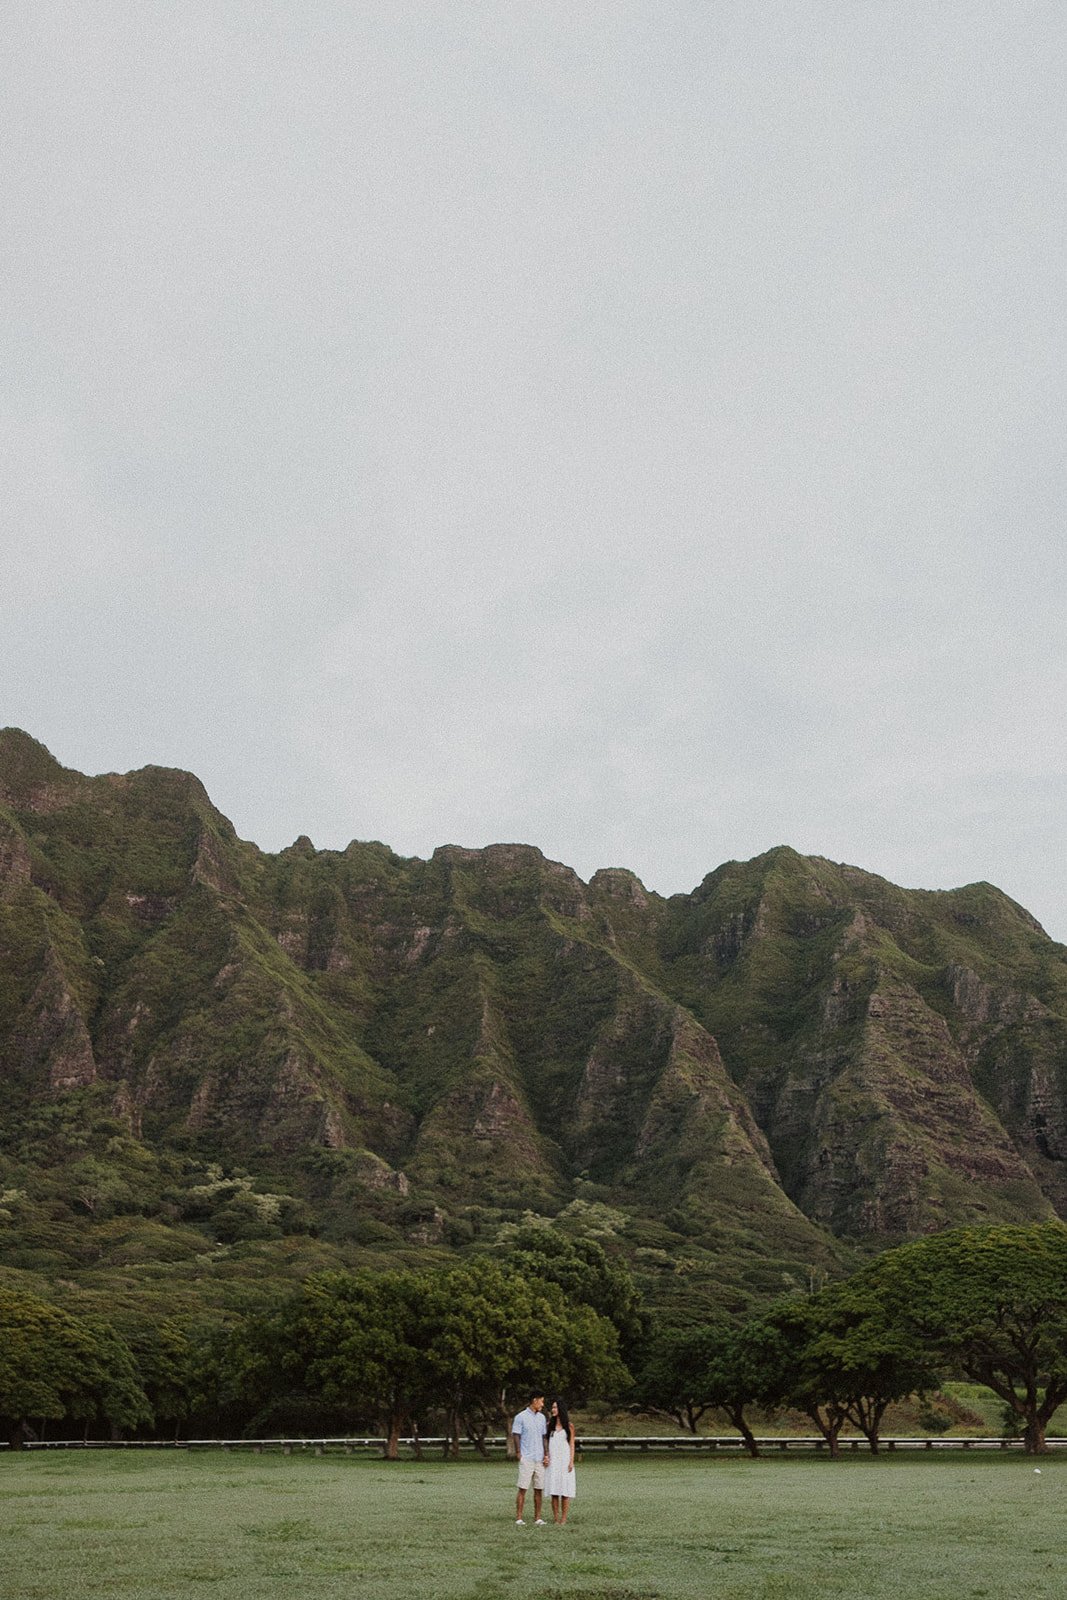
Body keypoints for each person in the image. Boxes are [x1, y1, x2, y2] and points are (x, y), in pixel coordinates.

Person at [511, 1390, 548, 1525]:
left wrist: (546, 1454)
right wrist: (518, 1453)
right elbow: (516, 1435)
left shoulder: (542, 1418)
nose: (542, 1404)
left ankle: (537, 1517)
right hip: (527, 1457)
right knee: (523, 1488)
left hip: (539, 1458)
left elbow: (544, 1437)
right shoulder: (520, 1417)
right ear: (535, 1400)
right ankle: (519, 1517)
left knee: (539, 1489)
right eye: (541, 1401)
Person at [544, 1398, 577, 1524]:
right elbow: (546, 1442)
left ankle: (563, 1518)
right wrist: (546, 1456)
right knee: (554, 1491)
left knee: (565, 1490)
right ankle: (556, 1518)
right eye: (552, 1407)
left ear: (561, 1409)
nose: (553, 1410)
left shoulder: (569, 1426)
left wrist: (571, 1461)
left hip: (564, 1461)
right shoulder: (549, 1426)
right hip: (553, 1461)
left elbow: (572, 1444)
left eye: (555, 1407)